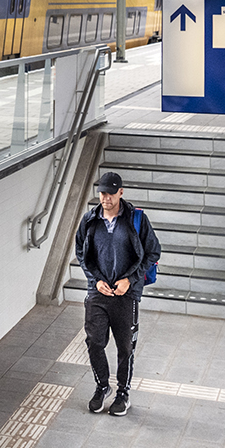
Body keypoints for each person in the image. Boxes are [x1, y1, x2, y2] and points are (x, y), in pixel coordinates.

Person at [73, 171, 160, 416]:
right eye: (102, 193)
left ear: (121, 192)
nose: (106, 198)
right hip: (98, 292)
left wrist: (130, 280)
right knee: (94, 342)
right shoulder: (90, 220)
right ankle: (102, 387)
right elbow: (81, 251)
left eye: (111, 193)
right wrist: (95, 280)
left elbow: (153, 252)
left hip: (126, 295)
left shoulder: (137, 220)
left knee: (125, 347)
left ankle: (123, 392)